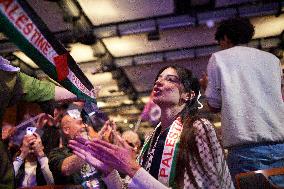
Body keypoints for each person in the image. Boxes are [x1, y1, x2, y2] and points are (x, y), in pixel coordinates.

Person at [69, 66, 234, 188]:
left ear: (188, 95)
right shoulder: (152, 139)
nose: (159, 82)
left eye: (170, 79)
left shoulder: (198, 127)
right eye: (159, 78)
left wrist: (131, 167)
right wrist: (109, 170)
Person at [202, 17, 284, 186]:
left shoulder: (219, 58)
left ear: (224, 38)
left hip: (245, 150)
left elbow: (214, 105)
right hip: (281, 146)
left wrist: (205, 88)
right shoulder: (272, 60)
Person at [0, 55, 77, 189]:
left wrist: (40, 154)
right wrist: (22, 154)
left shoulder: (54, 150)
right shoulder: (43, 132)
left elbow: (52, 183)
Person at [48, 107, 105, 188]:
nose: (85, 126)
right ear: (67, 130)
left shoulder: (95, 149)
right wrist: (90, 149)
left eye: (84, 123)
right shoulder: (56, 154)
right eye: (80, 123)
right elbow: (66, 169)